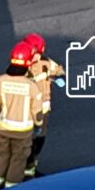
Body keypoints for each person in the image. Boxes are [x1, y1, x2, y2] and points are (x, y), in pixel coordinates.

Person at [0, 41, 43, 190]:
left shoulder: (0, 81)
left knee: (1, 158)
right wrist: (38, 125)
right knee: (17, 161)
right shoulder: (31, 86)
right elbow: (37, 112)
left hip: (3, 129)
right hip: (23, 133)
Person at [22, 33, 66, 179]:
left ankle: (31, 170)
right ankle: (24, 170)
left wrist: (54, 76)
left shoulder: (44, 61)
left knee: (39, 139)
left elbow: (59, 70)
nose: (37, 57)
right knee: (28, 141)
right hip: (29, 111)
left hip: (43, 109)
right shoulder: (22, 67)